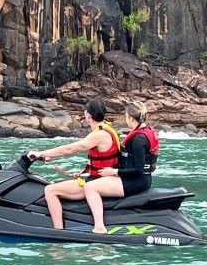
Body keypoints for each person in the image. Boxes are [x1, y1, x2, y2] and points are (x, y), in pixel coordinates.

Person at [28, 99, 121, 234]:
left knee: (50, 190)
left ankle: (58, 232)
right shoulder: (108, 129)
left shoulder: (99, 135)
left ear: (87, 115)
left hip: (98, 182)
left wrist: (40, 153)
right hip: (99, 178)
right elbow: (101, 158)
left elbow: (70, 149)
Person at [80, 100, 159, 231]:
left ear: (131, 118)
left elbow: (138, 170)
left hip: (137, 181)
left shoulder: (138, 140)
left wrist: (114, 171)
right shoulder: (144, 133)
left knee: (90, 187)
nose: (126, 119)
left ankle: (99, 226)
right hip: (136, 178)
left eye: (126, 116)